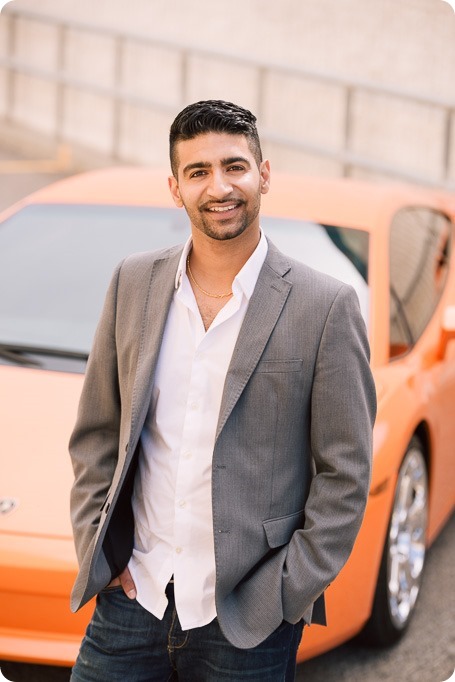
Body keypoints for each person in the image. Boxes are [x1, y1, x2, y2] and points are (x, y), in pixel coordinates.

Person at [69, 99, 376, 682]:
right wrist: (98, 548)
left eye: (234, 166)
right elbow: (96, 433)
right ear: (175, 187)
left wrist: (285, 593)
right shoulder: (133, 282)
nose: (220, 186)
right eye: (198, 171)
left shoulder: (325, 306)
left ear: (263, 173)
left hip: (248, 619)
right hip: (134, 598)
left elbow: (346, 473)